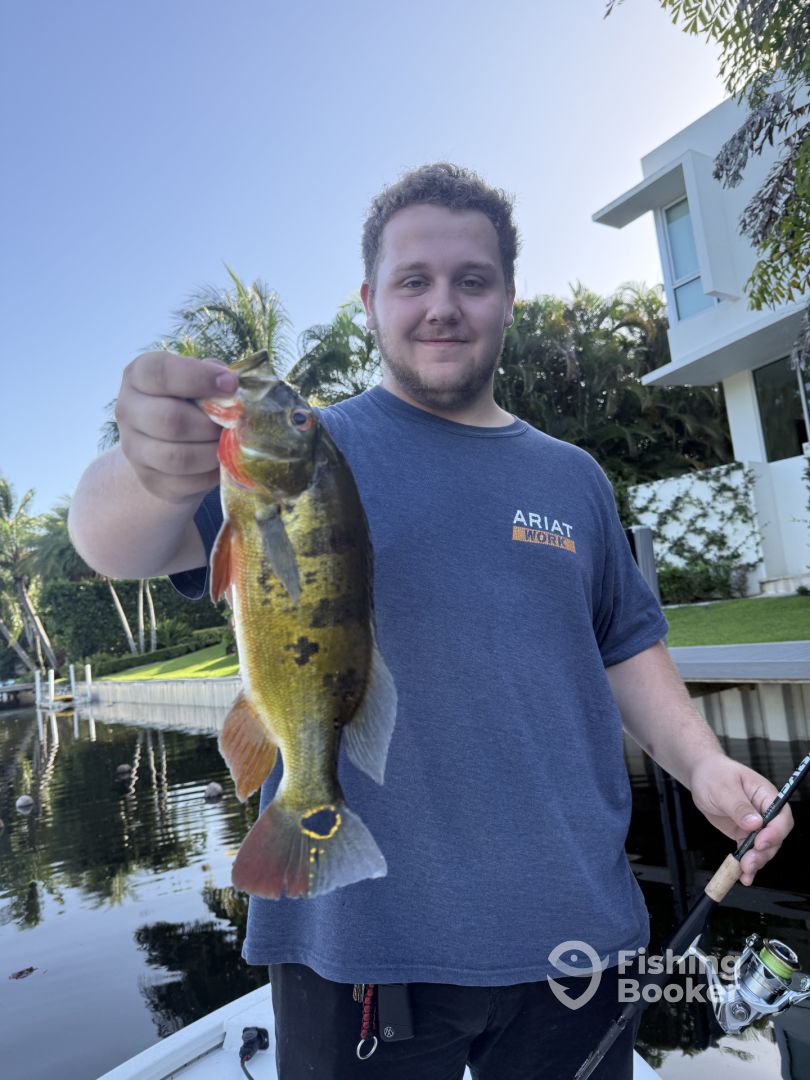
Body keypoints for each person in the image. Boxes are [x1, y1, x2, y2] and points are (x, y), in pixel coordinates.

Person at [69, 163, 794, 1079]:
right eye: (413, 281)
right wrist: (149, 465)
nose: (442, 305)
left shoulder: (574, 478)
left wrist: (704, 764)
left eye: (471, 280)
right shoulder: (303, 452)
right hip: (360, 947)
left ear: (509, 299)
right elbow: (112, 539)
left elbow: (625, 646)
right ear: (370, 301)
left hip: (576, 940)